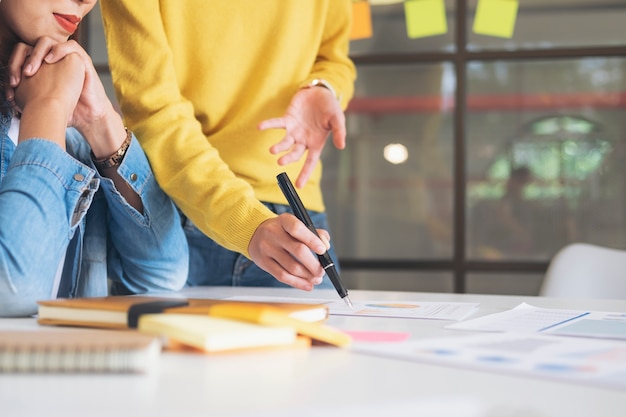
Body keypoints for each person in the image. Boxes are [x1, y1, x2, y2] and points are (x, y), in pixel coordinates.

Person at [99, 1, 356, 291]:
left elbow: (334, 58)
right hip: (177, 212)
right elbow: (154, 111)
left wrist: (324, 86)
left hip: (292, 219)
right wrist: (247, 223)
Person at [0, 0, 189, 317]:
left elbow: (162, 277)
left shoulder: (72, 129)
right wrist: (47, 107)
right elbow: (11, 289)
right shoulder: (51, 109)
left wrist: (101, 123)